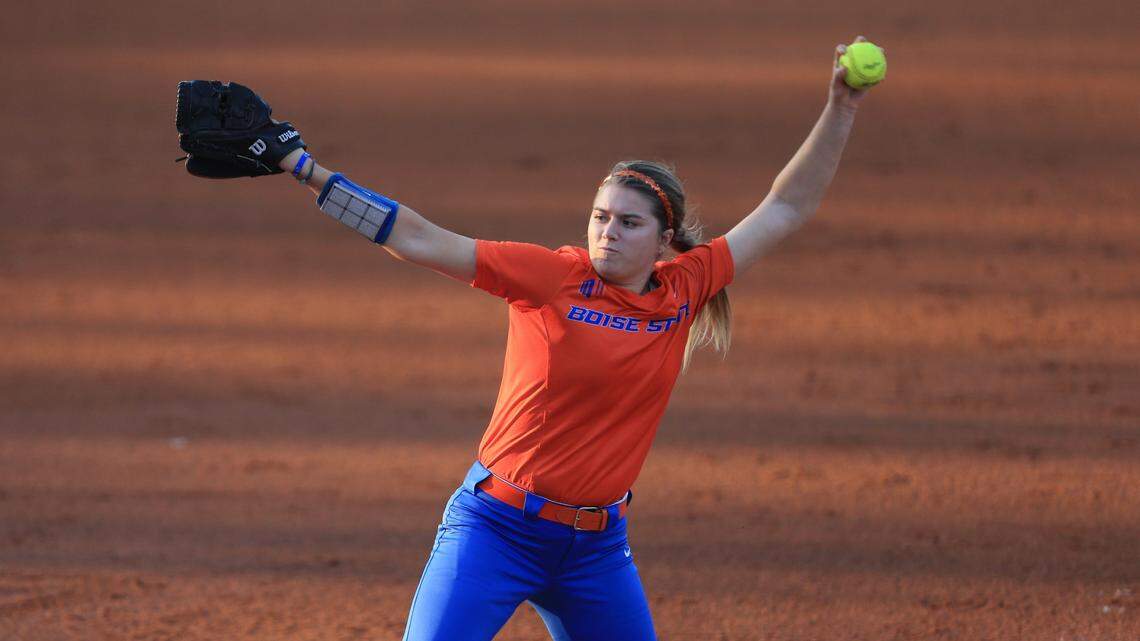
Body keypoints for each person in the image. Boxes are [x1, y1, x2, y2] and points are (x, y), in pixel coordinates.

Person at [211, 38, 871, 641]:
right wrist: (304, 168)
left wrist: (840, 107)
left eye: (628, 223)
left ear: (665, 240)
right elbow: (418, 237)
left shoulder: (684, 288)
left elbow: (786, 207)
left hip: (595, 549)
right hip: (494, 530)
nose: (608, 232)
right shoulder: (552, 276)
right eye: (600, 216)